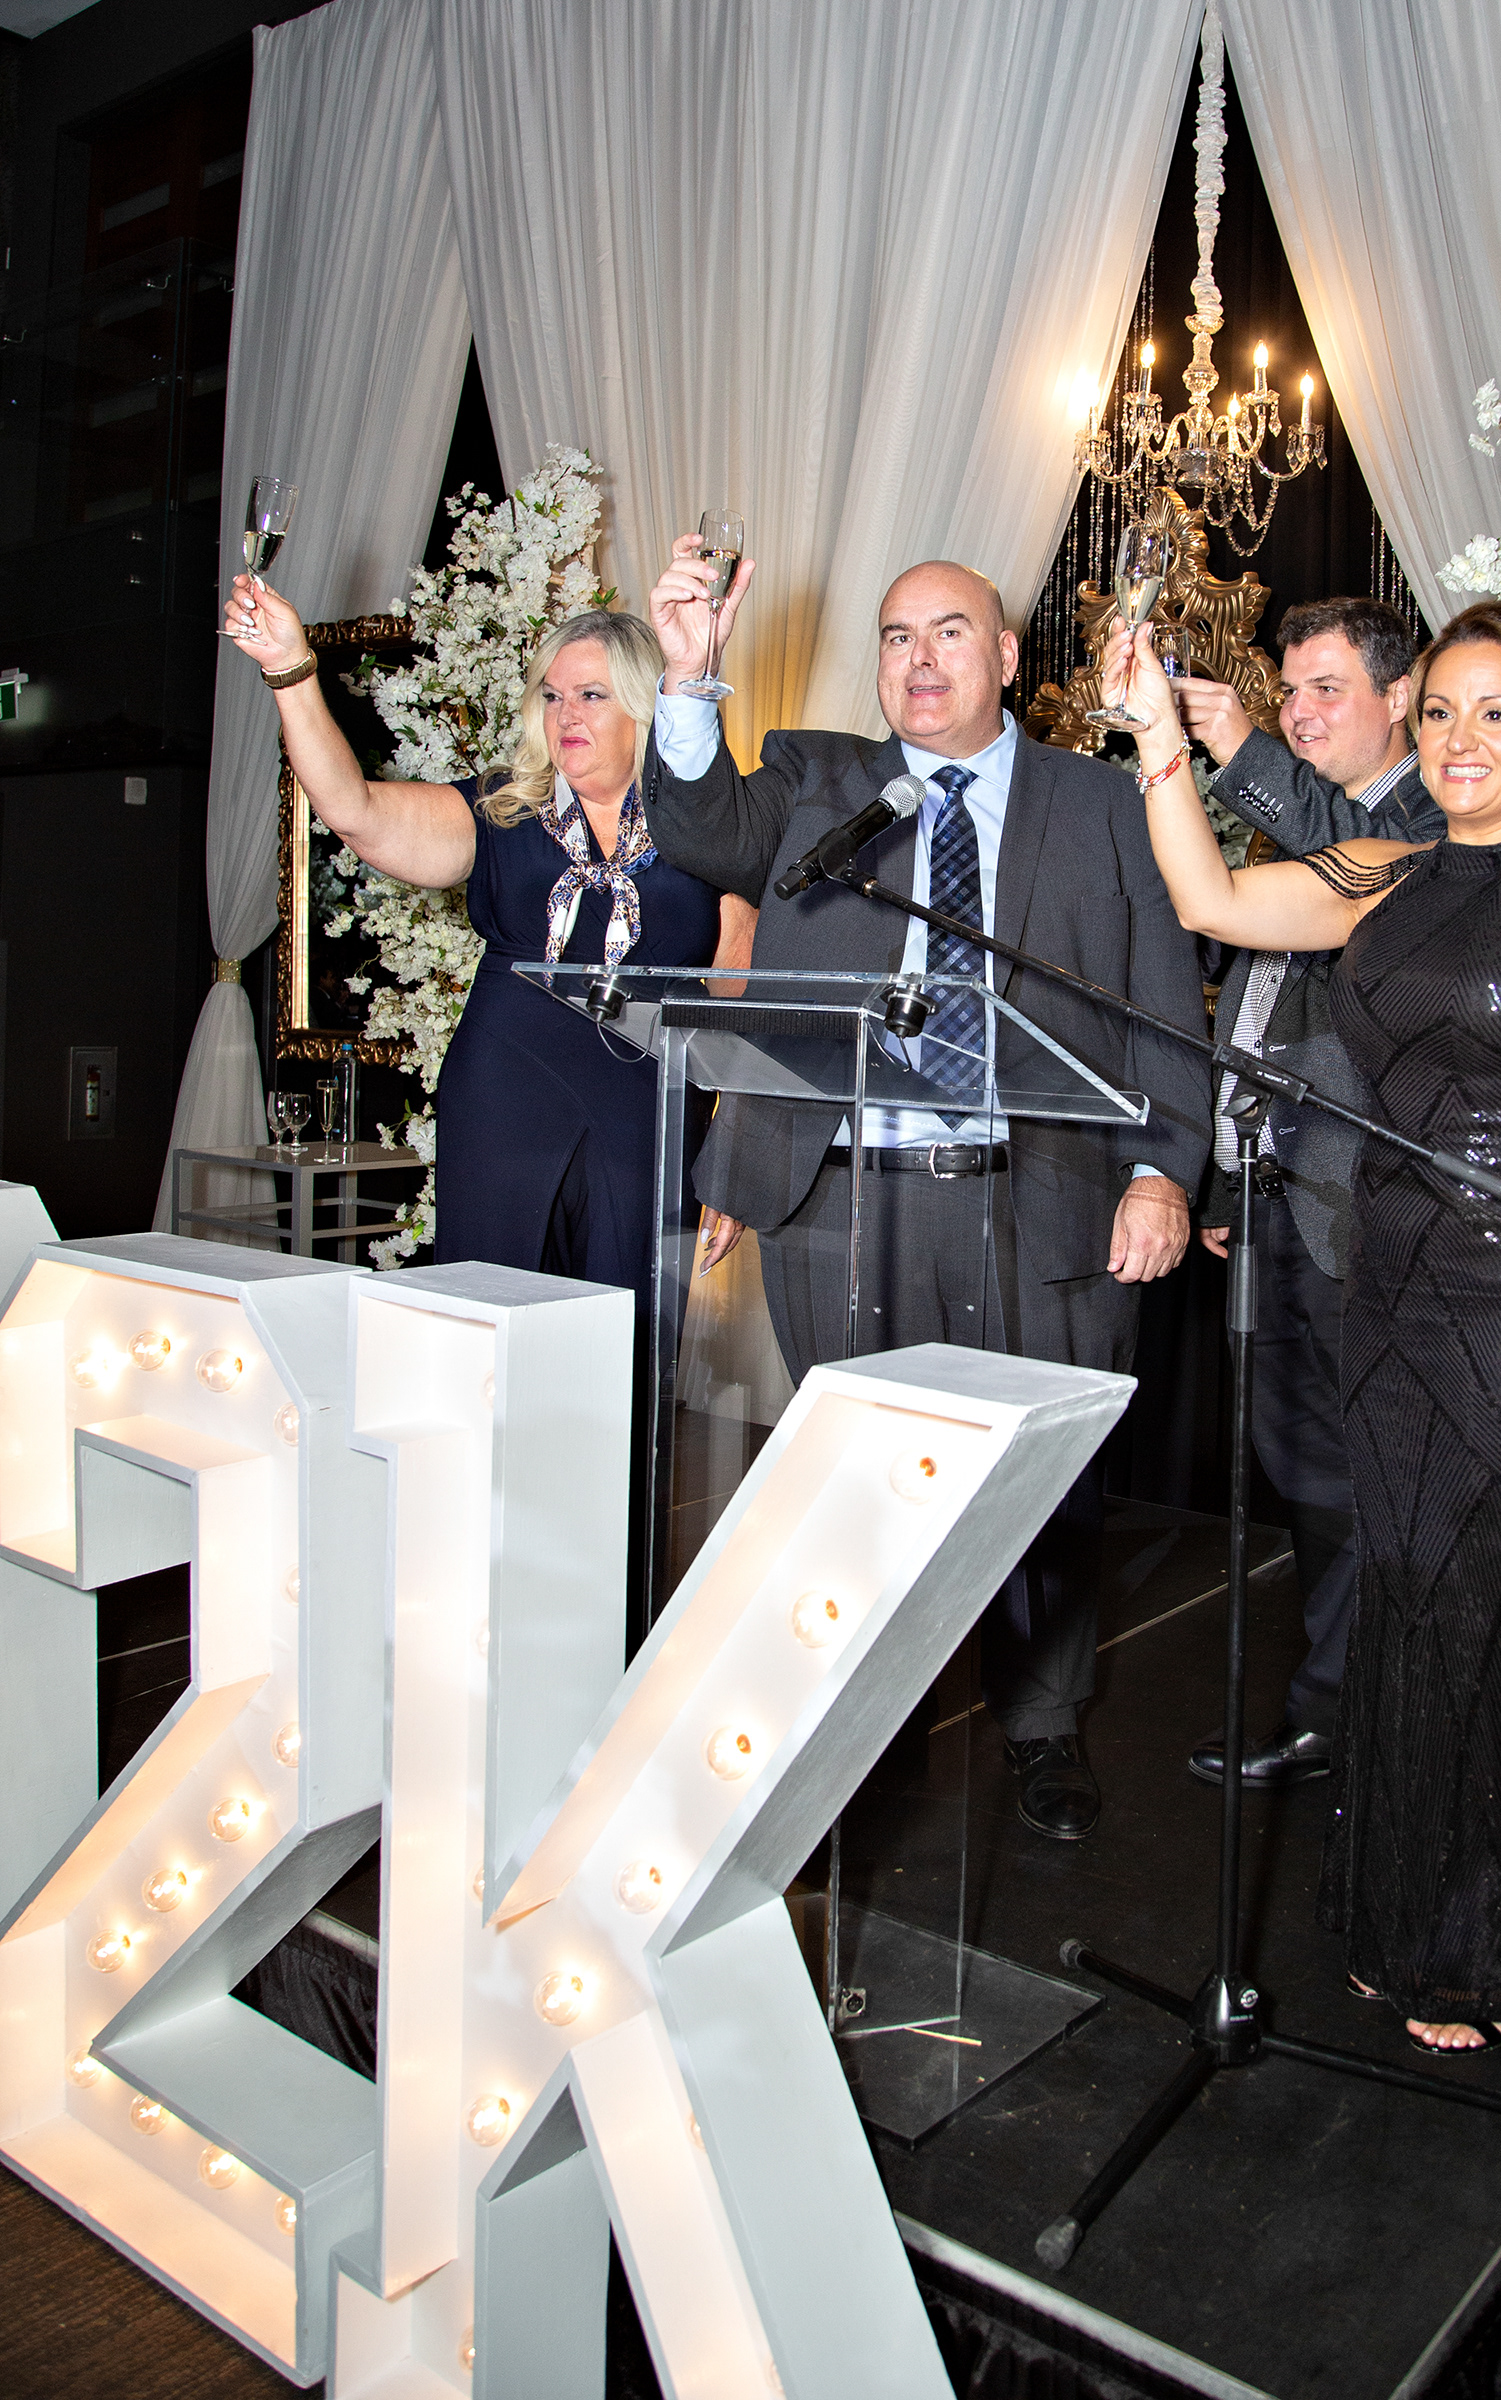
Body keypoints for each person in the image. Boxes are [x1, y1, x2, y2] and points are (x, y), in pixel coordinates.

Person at [1108, 598, 1501, 2054]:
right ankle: (1400, 1911)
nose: (1459, 740)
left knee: (1493, 1598)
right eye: (1438, 713)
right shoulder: (1381, 874)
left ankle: (1487, 1949)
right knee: (1413, 1593)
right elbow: (1209, 901)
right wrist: (1160, 737)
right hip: (1393, 1285)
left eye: (1495, 713)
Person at [643, 537, 1212, 1839]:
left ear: (1005, 656)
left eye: (949, 632)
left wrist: (1160, 1170)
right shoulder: (819, 782)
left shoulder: (1105, 803)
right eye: (897, 637)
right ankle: (857, 1730)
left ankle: (1043, 1722)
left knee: (1040, 1489)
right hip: (844, 1203)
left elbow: (1163, 1004)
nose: (920, 659)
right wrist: (687, 680)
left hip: (1041, 1197)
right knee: (854, 1491)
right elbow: (701, 830)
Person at [227, 578, 746, 1292]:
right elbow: (354, 810)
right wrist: (291, 672)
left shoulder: (713, 823)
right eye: (552, 696)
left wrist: (739, 1156)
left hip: (651, 1107)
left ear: (645, 705)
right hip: (507, 1090)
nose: (566, 714)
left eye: (591, 695)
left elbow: (741, 1003)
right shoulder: (501, 809)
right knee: (493, 1314)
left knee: (629, 1326)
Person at [1174, 600, 1445, 1796]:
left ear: (1401, 698)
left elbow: (1350, 861)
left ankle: (1352, 1711)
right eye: (1287, 693)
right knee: (1302, 1461)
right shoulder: (1294, 822)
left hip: (1372, 1209)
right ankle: (1351, 1696)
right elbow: (1248, 1004)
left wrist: (1234, 747)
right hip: (1276, 1186)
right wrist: (1226, 1174)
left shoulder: (1433, 823)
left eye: (1326, 689)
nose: (1298, 713)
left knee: (1361, 1467)